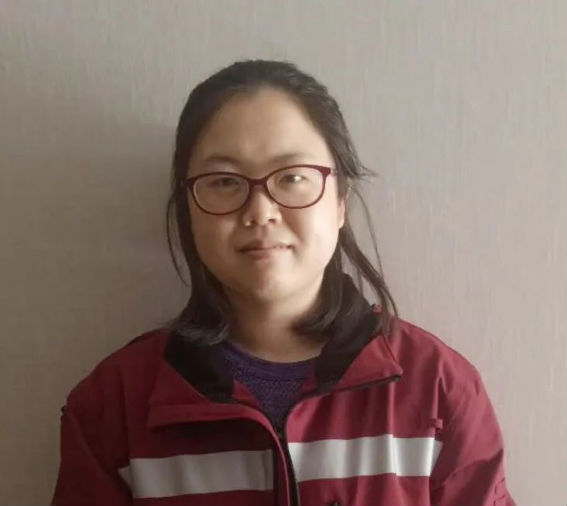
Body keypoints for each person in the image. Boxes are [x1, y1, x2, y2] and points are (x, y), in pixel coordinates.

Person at [51, 59, 515, 506]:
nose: (260, 211)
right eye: (224, 181)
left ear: (340, 202)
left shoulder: (437, 388)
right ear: (188, 209)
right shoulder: (114, 404)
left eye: (292, 177)